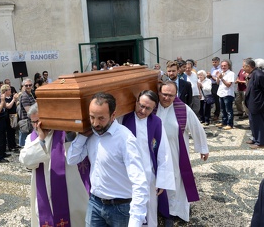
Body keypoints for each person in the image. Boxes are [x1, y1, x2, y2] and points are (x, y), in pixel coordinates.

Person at [67, 92, 149, 226]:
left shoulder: (125, 139)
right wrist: (82, 136)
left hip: (121, 207)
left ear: (113, 115)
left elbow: (139, 182)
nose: (95, 123)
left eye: (101, 118)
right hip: (95, 203)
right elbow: (71, 159)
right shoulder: (91, 134)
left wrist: (135, 221)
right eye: (92, 117)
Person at [19, 103, 89, 226]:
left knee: (75, 217)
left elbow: (75, 145)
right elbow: (26, 161)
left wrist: (69, 132)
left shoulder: (65, 132)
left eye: (39, 121)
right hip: (44, 190)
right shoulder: (32, 138)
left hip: (70, 188)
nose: (37, 126)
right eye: (33, 122)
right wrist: (41, 139)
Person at [119, 90, 175, 227]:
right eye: (141, 105)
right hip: (125, 175)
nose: (142, 111)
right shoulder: (123, 119)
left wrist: (162, 180)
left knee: (149, 211)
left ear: (153, 109)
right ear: (136, 102)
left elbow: (163, 152)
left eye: (148, 108)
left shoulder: (156, 122)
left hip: (148, 174)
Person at [155, 81, 209, 224]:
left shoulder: (183, 109)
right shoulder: (152, 107)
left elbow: (197, 127)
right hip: (156, 153)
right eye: (164, 94)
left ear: (176, 95)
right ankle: (159, 208)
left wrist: (203, 148)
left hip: (175, 152)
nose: (166, 98)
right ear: (159, 92)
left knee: (175, 181)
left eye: (171, 95)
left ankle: (172, 212)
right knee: (157, 181)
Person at [244, 58, 264, 149]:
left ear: (248, 66)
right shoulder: (253, 74)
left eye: (244, 66)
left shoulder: (259, 75)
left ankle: (260, 142)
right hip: (252, 103)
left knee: (258, 123)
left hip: (257, 104)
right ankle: (255, 138)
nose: (243, 68)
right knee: (253, 122)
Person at [215, 60, 235, 130]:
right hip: (221, 93)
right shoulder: (221, 73)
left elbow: (228, 85)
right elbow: (217, 83)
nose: (223, 67)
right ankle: (224, 122)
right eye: (222, 66)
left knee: (228, 110)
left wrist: (221, 78)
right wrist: (218, 77)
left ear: (228, 66)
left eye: (225, 66)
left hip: (228, 94)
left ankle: (230, 124)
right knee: (223, 109)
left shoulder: (231, 73)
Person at [1, 84, 20, 153]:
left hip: (14, 114)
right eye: (9, 89)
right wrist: (13, 99)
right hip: (8, 116)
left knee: (13, 131)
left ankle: (14, 144)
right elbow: (8, 106)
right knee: (9, 131)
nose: (10, 90)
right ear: (5, 91)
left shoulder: (11, 97)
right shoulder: (4, 98)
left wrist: (16, 99)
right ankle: (10, 146)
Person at [19, 79, 36, 147]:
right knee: (27, 143)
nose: (28, 86)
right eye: (26, 85)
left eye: (30, 85)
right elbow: (29, 111)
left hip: (31, 121)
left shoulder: (30, 94)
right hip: (28, 121)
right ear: (23, 86)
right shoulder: (25, 96)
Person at [207, 57, 221, 121]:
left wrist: (211, 77)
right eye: (213, 62)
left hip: (217, 85)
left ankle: (217, 114)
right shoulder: (212, 69)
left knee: (217, 100)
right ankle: (209, 113)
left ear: (218, 62)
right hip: (211, 85)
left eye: (215, 62)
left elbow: (218, 80)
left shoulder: (220, 69)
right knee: (210, 99)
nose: (214, 63)